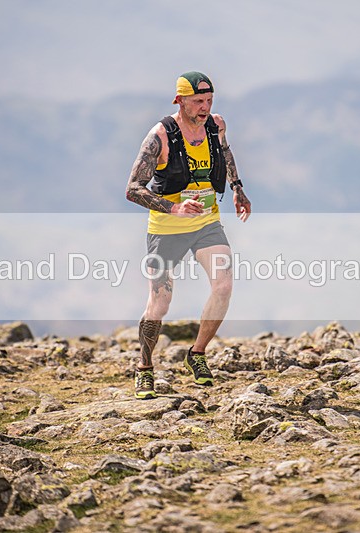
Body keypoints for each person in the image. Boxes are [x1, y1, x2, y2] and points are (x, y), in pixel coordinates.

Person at [125, 71, 252, 399]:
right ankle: (144, 368)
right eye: (198, 101)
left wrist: (237, 189)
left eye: (209, 100)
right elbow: (133, 189)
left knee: (223, 286)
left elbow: (225, 153)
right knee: (160, 304)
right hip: (167, 228)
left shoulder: (215, 125)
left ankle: (196, 353)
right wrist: (174, 208)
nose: (205, 107)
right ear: (179, 101)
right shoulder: (160, 136)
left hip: (207, 222)